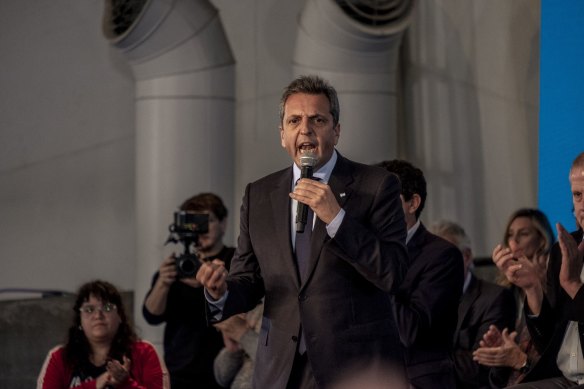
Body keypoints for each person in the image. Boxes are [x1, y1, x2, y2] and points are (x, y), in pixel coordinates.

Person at [197, 75, 409, 388]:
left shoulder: (376, 185)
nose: (305, 129)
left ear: (336, 131)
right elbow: (248, 279)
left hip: (355, 367)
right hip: (280, 369)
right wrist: (220, 292)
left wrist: (336, 218)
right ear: (282, 135)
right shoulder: (259, 194)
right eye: (294, 120)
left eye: (317, 120)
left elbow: (394, 273)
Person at [376, 159, 464, 389]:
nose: (374, 208)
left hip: (417, 380)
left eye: (384, 199)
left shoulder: (442, 256)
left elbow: (410, 331)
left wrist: (375, 264)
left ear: (412, 203)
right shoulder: (361, 251)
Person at [498, 153, 584, 388]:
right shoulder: (564, 250)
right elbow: (547, 340)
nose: (583, 206)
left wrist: (574, 285)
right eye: (577, 195)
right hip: (564, 379)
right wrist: (532, 287)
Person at [143, 193, 235, 389]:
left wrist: (213, 283)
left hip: (226, 367)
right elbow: (151, 315)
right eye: (192, 222)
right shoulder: (179, 264)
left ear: (223, 223)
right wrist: (163, 282)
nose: (200, 228)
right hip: (181, 370)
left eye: (206, 220)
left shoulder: (235, 261)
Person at [472, 208, 554, 387]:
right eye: (510, 234)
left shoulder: (555, 285)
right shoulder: (503, 291)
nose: (514, 241)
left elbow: (555, 360)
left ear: (542, 239)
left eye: (523, 234)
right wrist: (501, 353)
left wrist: (519, 360)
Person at [37, 280, 169, 389]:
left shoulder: (144, 352)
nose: (98, 315)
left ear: (120, 316)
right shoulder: (59, 357)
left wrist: (126, 384)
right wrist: (95, 385)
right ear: (79, 321)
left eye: (107, 308)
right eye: (89, 309)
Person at [431, 220, 516, 388]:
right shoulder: (421, 298)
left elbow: (481, 368)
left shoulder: (495, 298)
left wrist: (421, 356)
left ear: (467, 256)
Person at [213, 302, 264, 389]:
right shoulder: (256, 302)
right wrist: (233, 350)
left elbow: (279, 367)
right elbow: (222, 378)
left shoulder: (289, 310)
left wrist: (243, 334)